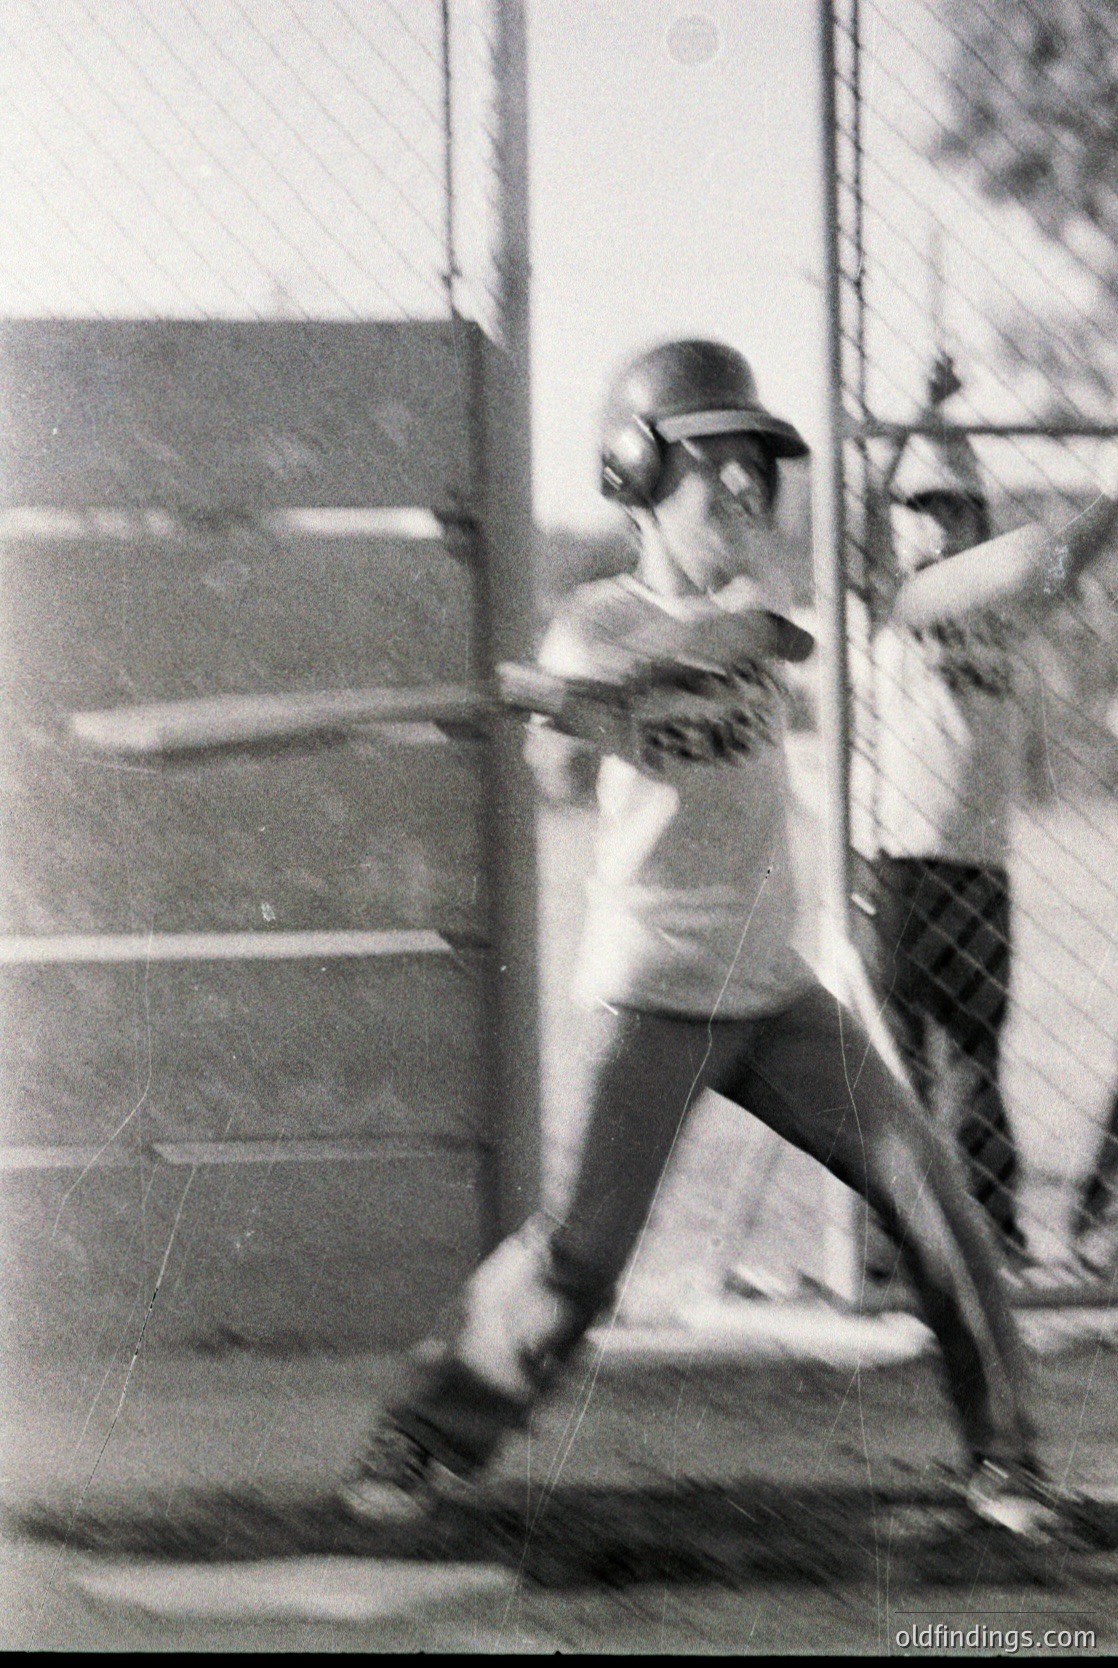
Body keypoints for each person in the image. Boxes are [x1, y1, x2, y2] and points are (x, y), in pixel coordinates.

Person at [338, 339, 1088, 1540]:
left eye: (756, 466)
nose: (745, 489)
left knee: (932, 1196)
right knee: (582, 1255)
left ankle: (1005, 1466)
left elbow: (762, 644)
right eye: (715, 466)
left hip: (775, 993)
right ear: (635, 477)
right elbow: (557, 766)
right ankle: (420, 1437)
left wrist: (662, 665)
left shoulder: (756, 609)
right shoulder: (590, 624)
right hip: (652, 992)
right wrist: (578, 712)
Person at [853, 359, 1118, 1271]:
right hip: (894, 860)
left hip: (980, 861)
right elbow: (862, 517)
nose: (935, 523)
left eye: (954, 508)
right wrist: (914, 415)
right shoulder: (893, 602)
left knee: (976, 1058)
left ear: (980, 520)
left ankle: (993, 1236)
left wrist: (1110, 502)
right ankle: (891, 1253)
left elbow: (1063, 559)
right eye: (920, 507)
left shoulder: (1004, 611)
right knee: (899, 1063)